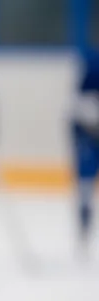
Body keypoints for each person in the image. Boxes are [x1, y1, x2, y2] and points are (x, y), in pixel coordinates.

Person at [71, 46, 99, 256]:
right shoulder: (91, 64)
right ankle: (84, 234)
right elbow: (79, 103)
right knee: (85, 186)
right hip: (88, 132)